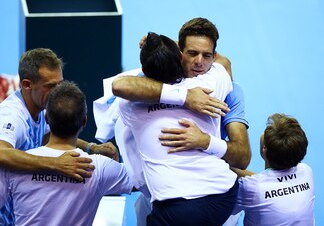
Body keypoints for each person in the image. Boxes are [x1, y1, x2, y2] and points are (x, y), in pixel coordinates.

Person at [94, 17, 251, 226]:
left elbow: (242, 156)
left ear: (213, 56)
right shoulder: (213, 82)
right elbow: (121, 85)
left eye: (206, 55)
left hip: (194, 199)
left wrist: (205, 141)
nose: (199, 62)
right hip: (188, 197)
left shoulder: (132, 102)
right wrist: (186, 97)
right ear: (179, 53)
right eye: (192, 53)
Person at [0, 48, 118, 225]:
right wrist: (56, 164)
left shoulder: (40, 105)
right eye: (50, 86)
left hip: (11, 213)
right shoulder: (11, 117)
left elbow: (47, 135)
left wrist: (92, 148)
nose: (58, 92)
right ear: (27, 84)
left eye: (60, 84)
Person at [118, 31, 236, 225]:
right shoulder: (207, 85)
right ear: (180, 58)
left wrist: (160, 47)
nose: (198, 61)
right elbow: (224, 62)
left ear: (145, 71)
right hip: (224, 194)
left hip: (176, 207)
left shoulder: (129, 105)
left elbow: (121, 85)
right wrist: (186, 96)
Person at [230, 113, 315, 225]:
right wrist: (231, 168)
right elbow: (269, 182)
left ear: (264, 149)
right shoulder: (306, 171)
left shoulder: (250, 188)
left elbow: (221, 211)